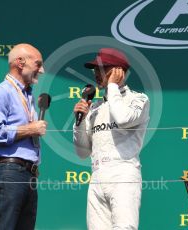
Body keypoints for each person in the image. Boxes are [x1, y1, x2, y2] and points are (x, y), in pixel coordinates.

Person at [73, 48, 150, 229]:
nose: (96, 74)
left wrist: (113, 86)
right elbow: (82, 152)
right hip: (97, 174)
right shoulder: (95, 108)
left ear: (118, 71)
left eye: (102, 69)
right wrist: (79, 123)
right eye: (95, 70)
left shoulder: (138, 99)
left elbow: (122, 119)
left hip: (123, 171)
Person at [0, 43, 47, 230]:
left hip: (28, 175)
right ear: (20, 63)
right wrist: (29, 129)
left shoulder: (28, 95)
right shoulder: (2, 91)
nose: (42, 70)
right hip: (9, 172)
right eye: (38, 64)